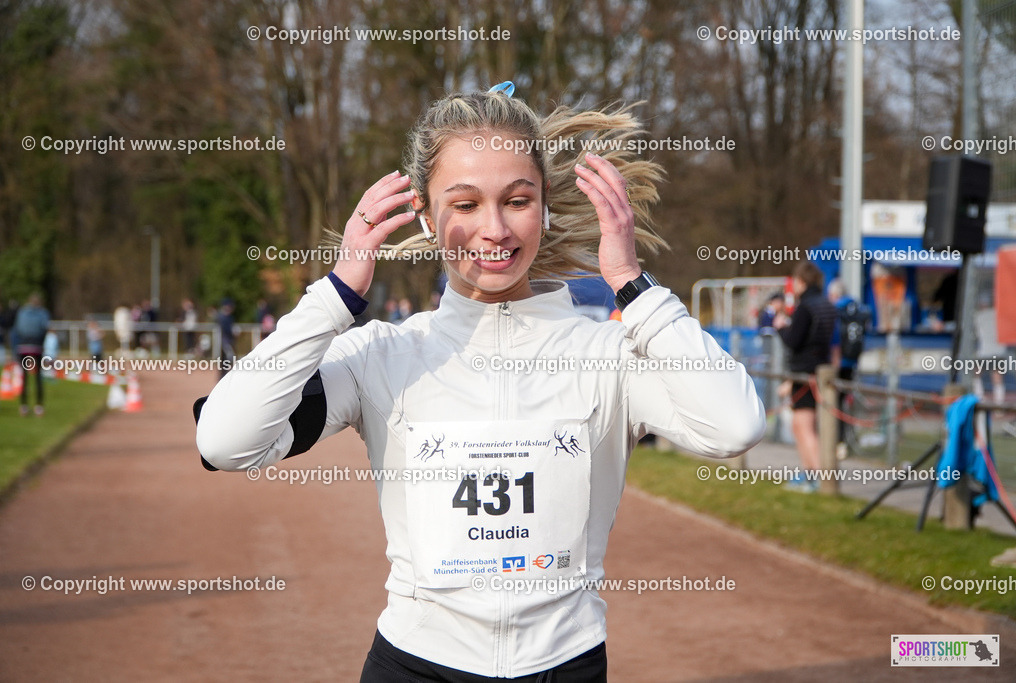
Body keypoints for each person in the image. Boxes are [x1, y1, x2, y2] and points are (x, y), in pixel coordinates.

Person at [196, 84, 766, 680]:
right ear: (423, 212)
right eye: (464, 205)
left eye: (517, 200)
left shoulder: (609, 355)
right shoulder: (381, 355)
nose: (494, 229)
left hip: (565, 664)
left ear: (545, 206)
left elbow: (735, 425)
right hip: (416, 664)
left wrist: (631, 282)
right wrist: (335, 295)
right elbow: (226, 441)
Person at [773, 262, 837, 491]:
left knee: (804, 425)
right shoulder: (826, 304)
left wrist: (780, 328)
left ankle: (820, 478)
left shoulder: (805, 308)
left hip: (805, 372)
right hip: (819, 369)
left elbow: (793, 340)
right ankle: (810, 473)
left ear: (801, 282)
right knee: (801, 426)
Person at [827, 278, 870, 459]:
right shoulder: (858, 309)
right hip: (853, 362)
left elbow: (833, 338)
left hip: (838, 363)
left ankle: (834, 442)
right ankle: (844, 441)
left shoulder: (835, 311)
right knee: (845, 403)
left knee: (833, 404)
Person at [14, 293, 51, 416]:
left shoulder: (22, 313)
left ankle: (23, 406)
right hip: (36, 347)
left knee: (24, 376)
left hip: (23, 347)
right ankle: (39, 406)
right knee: (38, 376)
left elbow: (18, 329)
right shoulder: (42, 313)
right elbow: (44, 328)